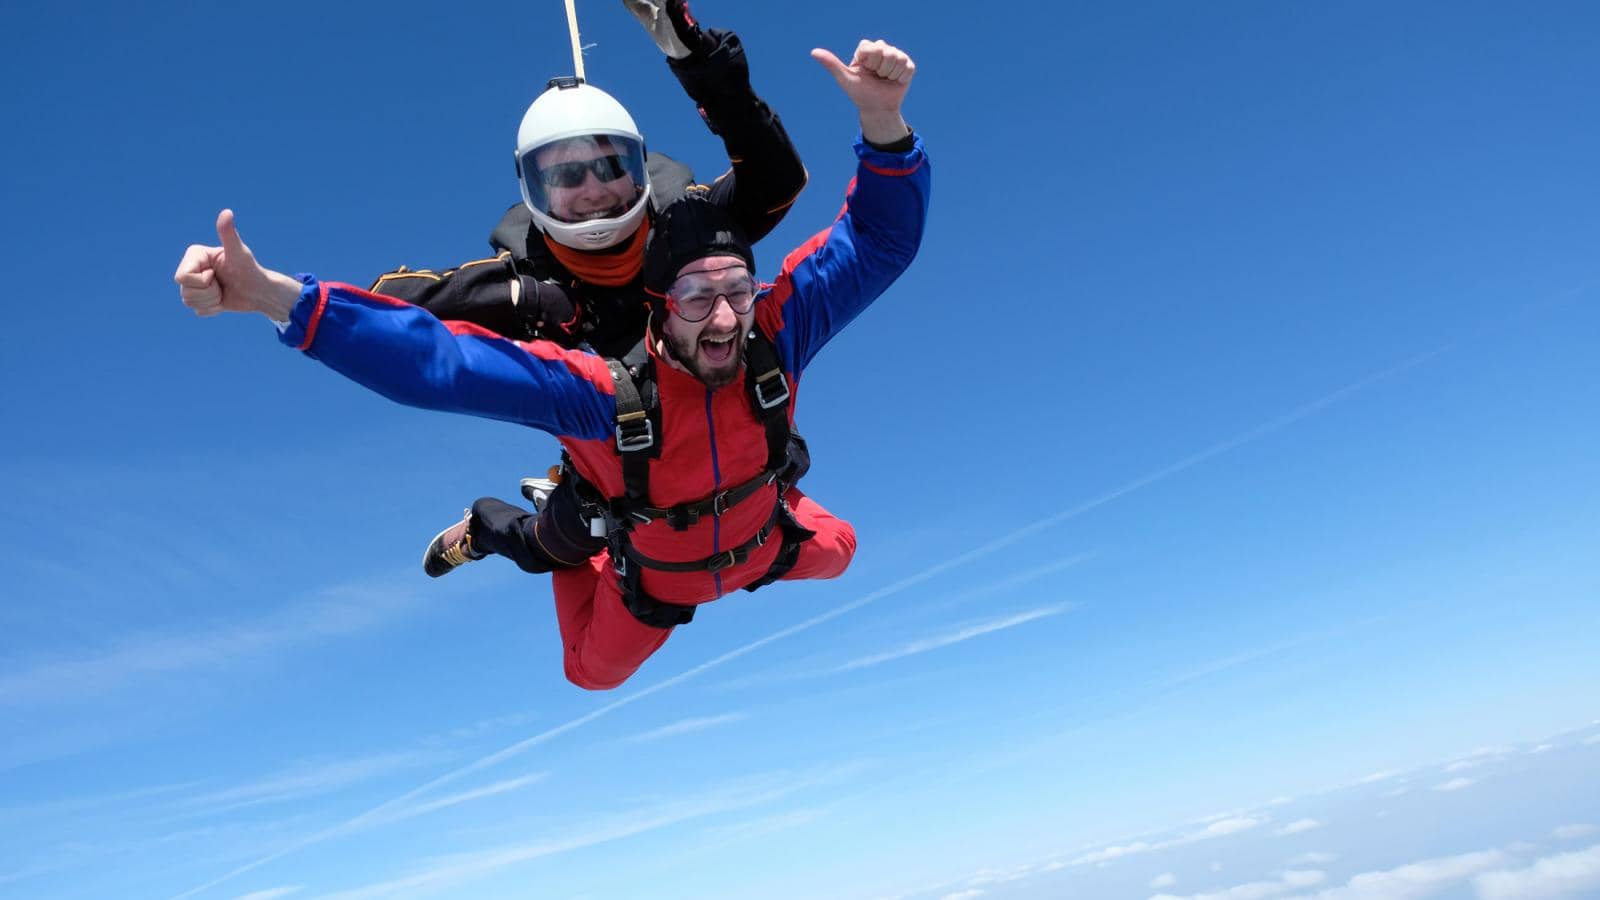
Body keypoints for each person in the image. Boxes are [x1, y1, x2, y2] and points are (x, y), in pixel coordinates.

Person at [175, 38, 928, 690]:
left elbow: (876, 243)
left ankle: (734, 496)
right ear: (660, 305)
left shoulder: (778, 335)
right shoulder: (601, 396)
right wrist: (278, 299)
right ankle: (494, 524)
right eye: (696, 297)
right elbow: (439, 364)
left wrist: (883, 123)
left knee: (842, 550)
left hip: (756, 536)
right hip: (649, 562)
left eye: (737, 290)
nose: (725, 317)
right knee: (580, 638)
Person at [375, 0, 810, 574]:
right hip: (619, 445)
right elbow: (384, 309)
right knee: (554, 548)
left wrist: (695, 57)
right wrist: (523, 300)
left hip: (713, 409)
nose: (592, 189)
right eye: (565, 175)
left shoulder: (685, 228)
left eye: (609, 166)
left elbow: (777, 179)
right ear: (535, 189)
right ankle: (486, 527)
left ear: (638, 166)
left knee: (772, 479)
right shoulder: (530, 277)